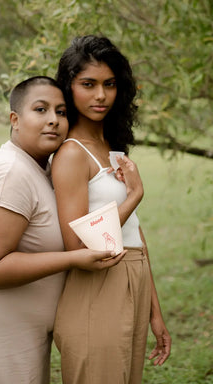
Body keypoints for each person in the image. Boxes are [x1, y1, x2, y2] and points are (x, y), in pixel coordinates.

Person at [0, 76, 126, 384]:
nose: (53, 120)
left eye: (61, 112)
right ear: (15, 119)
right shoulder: (8, 174)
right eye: (40, 110)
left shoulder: (39, 168)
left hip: (22, 337)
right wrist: (73, 259)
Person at [51, 35, 172, 384]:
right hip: (97, 288)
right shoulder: (73, 154)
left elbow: (134, 231)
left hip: (132, 276)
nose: (101, 96)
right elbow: (78, 246)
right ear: (69, 88)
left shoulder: (111, 147)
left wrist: (155, 314)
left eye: (109, 84)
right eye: (88, 84)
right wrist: (135, 194)